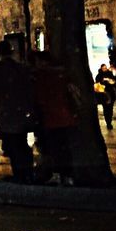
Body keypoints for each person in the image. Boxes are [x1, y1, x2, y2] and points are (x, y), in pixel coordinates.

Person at [0, 39, 35, 182]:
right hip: (21, 111)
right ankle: (27, 172)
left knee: (13, 145)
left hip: (8, 112)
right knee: (21, 144)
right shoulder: (21, 68)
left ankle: (20, 173)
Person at [32, 49, 78, 185]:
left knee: (52, 148)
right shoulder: (62, 74)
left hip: (50, 118)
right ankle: (68, 175)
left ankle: (56, 174)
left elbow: (39, 97)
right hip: (66, 117)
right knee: (65, 148)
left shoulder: (42, 76)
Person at [94, 63, 116, 130]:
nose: (104, 69)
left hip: (110, 93)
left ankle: (109, 121)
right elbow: (97, 84)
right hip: (103, 94)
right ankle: (108, 123)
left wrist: (110, 81)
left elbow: (114, 82)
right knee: (106, 109)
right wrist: (102, 81)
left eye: (105, 68)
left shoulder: (110, 74)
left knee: (110, 109)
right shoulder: (99, 75)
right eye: (103, 68)